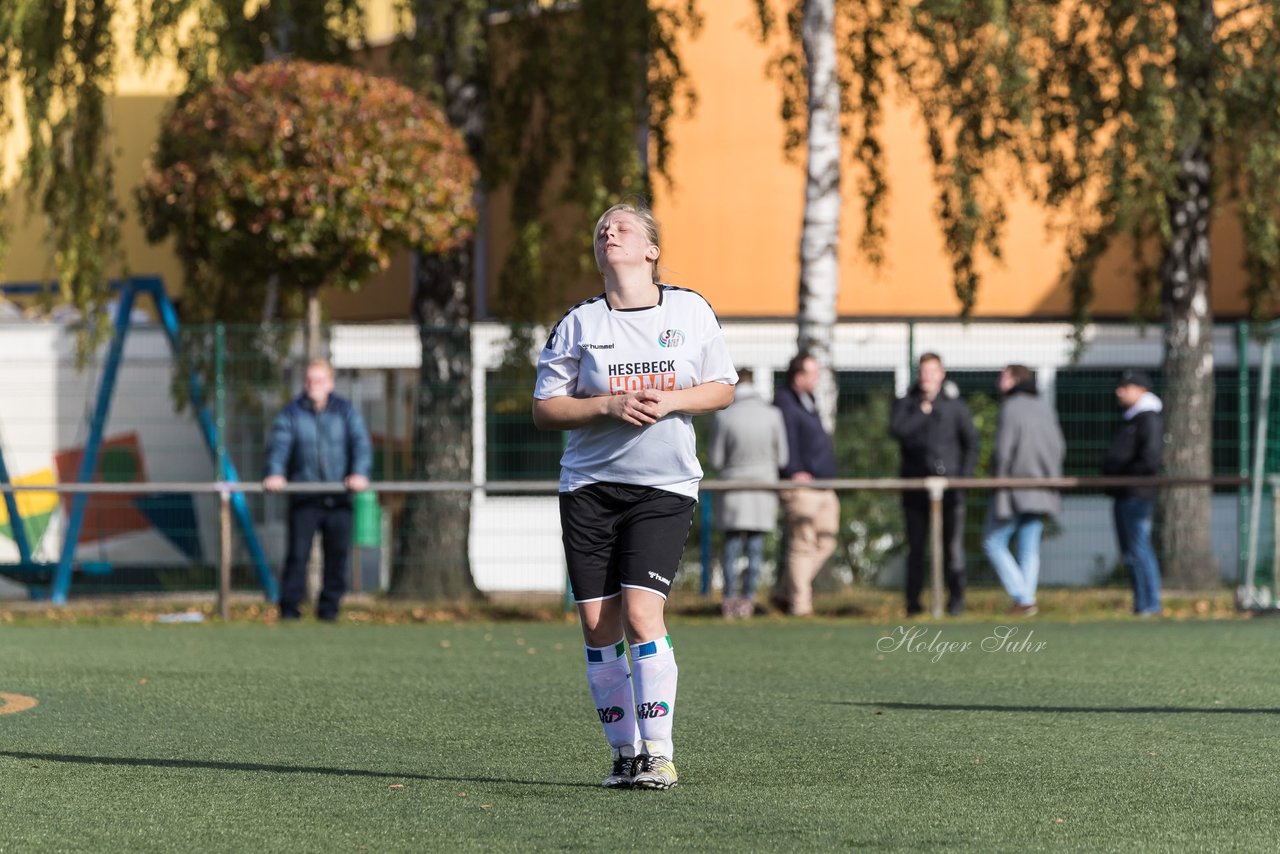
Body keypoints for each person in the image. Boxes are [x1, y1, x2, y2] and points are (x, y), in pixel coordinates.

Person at [532, 201, 736, 790]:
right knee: (599, 626)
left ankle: (661, 754)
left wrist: (669, 400)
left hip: (664, 487)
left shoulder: (690, 310)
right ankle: (624, 754)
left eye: (622, 226)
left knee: (643, 613)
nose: (608, 231)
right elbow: (546, 410)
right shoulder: (578, 323)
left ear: (651, 250)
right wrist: (607, 406)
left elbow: (722, 389)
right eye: (602, 227)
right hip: (589, 489)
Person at [263, 358, 373, 621]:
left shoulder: (345, 411)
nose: (314, 385)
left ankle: (329, 609)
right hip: (305, 495)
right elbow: (279, 445)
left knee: (337, 555)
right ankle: (289, 609)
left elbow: (360, 444)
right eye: (310, 380)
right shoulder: (292, 413)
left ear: (330, 383)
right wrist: (275, 472)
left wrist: (359, 472)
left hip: (338, 495)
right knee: (298, 555)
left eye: (320, 380)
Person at [889, 352, 979, 616]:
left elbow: (972, 443)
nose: (927, 377)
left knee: (953, 549)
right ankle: (913, 605)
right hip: (915, 490)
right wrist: (922, 413)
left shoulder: (955, 406)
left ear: (942, 374)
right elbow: (897, 431)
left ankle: (956, 603)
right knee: (916, 549)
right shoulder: (907, 404)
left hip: (950, 492)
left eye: (932, 372)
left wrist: (963, 477)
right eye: (923, 372)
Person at [982, 365, 1065, 616]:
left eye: (1003, 376)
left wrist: (999, 481)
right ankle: (1026, 599)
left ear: (1014, 379)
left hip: (1015, 488)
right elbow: (1058, 447)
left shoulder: (1011, 407)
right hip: (1042, 488)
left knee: (993, 541)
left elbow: (1004, 451)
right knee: (1029, 547)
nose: (999, 380)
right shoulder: (1044, 407)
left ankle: (1023, 597)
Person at [708, 368, 789, 619]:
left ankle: (729, 600)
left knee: (731, 546)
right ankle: (749, 600)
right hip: (764, 487)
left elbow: (716, 459)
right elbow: (783, 457)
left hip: (733, 487)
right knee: (755, 547)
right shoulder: (773, 414)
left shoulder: (725, 416)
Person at [772, 352, 840, 617]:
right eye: (813, 373)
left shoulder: (809, 399)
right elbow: (785, 439)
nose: (818, 378)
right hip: (801, 485)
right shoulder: (785, 402)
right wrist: (793, 469)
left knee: (827, 540)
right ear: (798, 376)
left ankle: (785, 592)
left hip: (823, 483)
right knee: (803, 544)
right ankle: (800, 605)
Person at [1101, 368, 1164, 617]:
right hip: (1124, 492)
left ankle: (1151, 604)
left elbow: (1150, 459)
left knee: (1139, 549)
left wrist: (1122, 471)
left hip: (1136, 493)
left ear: (1141, 390)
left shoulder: (1148, 419)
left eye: (1125, 387)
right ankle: (1142, 604)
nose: (1119, 391)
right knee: (1130, 552)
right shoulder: (1132, 418)